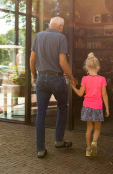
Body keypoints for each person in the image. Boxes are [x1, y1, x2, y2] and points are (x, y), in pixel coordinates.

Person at [30, 16, 76, 158]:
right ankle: (58, 140)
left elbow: (32, 59)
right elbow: (63, 62)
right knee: (62, 107)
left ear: (50, 25)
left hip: (41, 78)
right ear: (60, 27)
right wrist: (72, 78)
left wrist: (34, 76)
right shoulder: (61, 38)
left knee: (41, 114)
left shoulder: (38, 36)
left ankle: (40, 150)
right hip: (56, 79)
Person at [70, 52, 109, 157]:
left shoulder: (84, 79)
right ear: (98, 67)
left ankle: (88, 150)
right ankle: (94, 142)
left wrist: (72, 86)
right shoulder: (102, 79)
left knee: (89, 128)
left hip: (87, 106)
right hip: (98, 107)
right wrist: (107, 109)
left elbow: (80, 94)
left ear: (86, 67)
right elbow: (104, 95)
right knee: (97, 128)